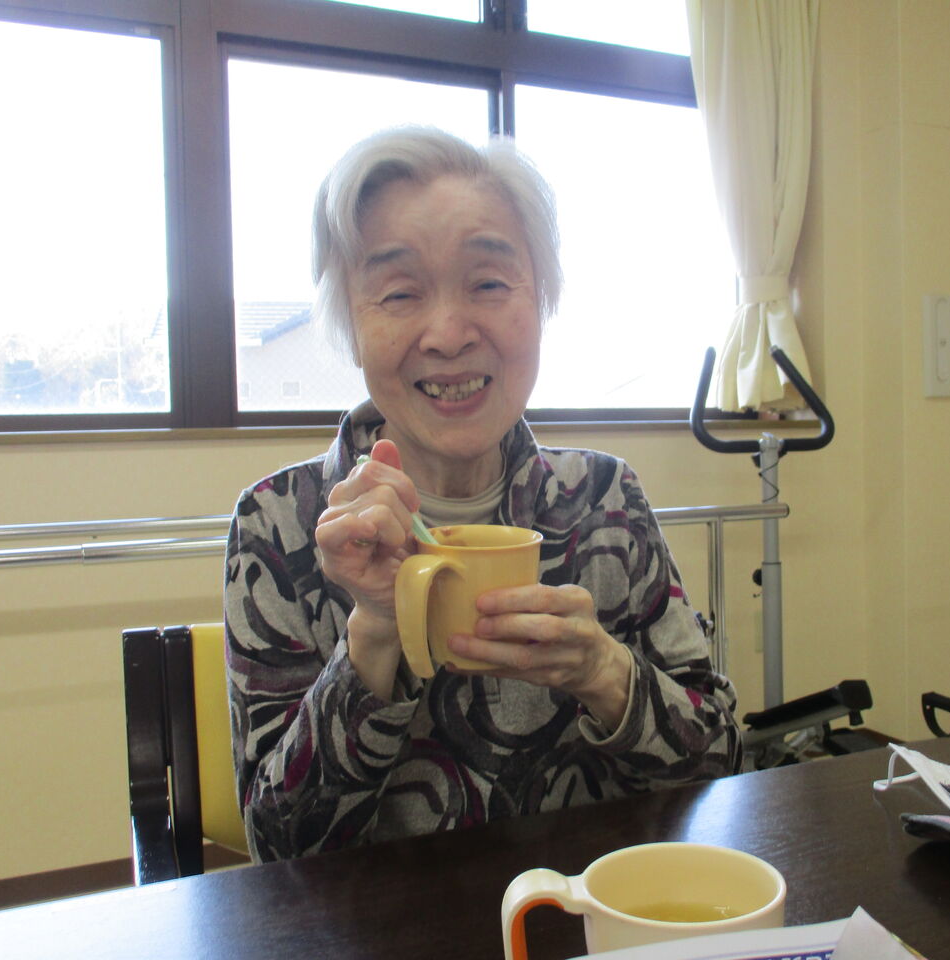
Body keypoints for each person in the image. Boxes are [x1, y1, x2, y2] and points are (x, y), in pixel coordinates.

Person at [224, 126, 742, 861]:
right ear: (351, 324)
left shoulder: (604, 500)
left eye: (489, 284)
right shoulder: (279, 523)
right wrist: (374, 632)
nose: (447, 333)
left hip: (585, 909)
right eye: (399, 293)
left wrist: (601, 670)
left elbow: (721, 762)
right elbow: (278, 850)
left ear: (542, 299)